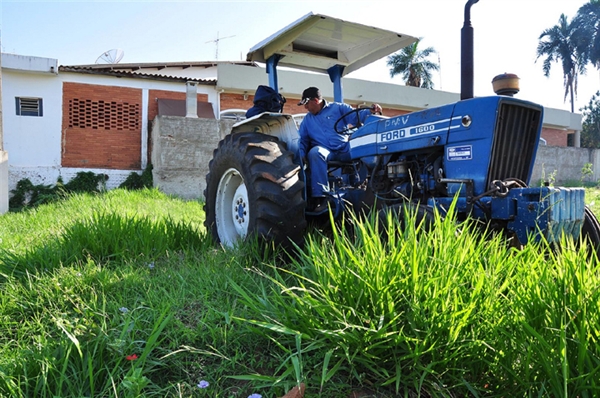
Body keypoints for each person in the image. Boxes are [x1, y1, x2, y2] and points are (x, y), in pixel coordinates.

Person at [297, 86, 383, 212]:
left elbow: (356, 116)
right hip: (327, 152)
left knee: (364, 147)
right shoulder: (307, 120)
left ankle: (372, 186)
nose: (305, 108)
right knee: (316, 152)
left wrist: (371, 111)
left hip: (344, 148)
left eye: (307, 104)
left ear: (315, 101)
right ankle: (320, 198)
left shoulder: (338, 108)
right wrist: (302, 153)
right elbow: (302, 140)